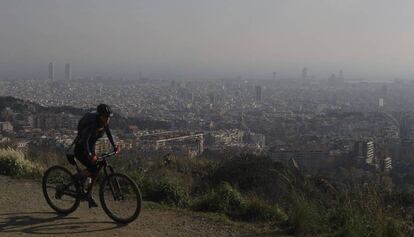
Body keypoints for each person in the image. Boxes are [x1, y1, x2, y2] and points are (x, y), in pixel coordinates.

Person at [73, 104, 119, 208]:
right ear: (100, 116)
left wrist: (114, 146)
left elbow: (108, 133)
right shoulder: (92, 124)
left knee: (94, 168)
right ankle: (77, 177)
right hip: (81, 148)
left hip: (91, 146)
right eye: (105, 117)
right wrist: (90, 155)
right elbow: (85, 141)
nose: (107, 120)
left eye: (109, 117)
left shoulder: (104, 122)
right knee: (93, 168)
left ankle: (87, 192)